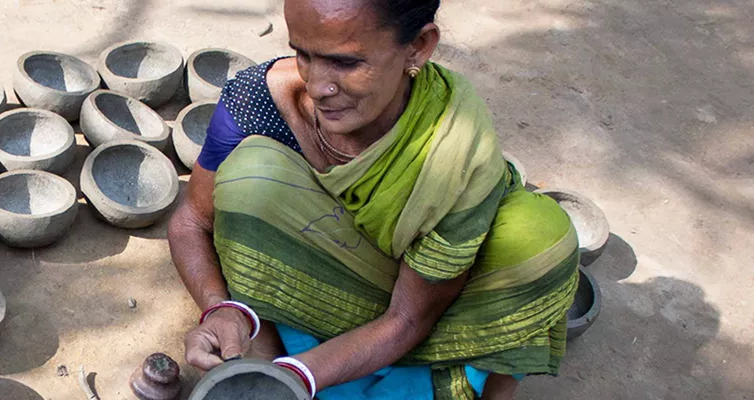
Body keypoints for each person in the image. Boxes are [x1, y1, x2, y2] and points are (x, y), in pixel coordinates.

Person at [167, 0, 580, 399]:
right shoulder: (258, 100)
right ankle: (276, 345)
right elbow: (191, 221)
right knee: (249, 178)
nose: (317, 86)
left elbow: (408, 318)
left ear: (417, 47)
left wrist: (299, 375)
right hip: (322, 272)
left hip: (429, 301)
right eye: (303, 54)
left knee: (538, 241)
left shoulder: (452, 149)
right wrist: (219, 308)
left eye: (346, 62)